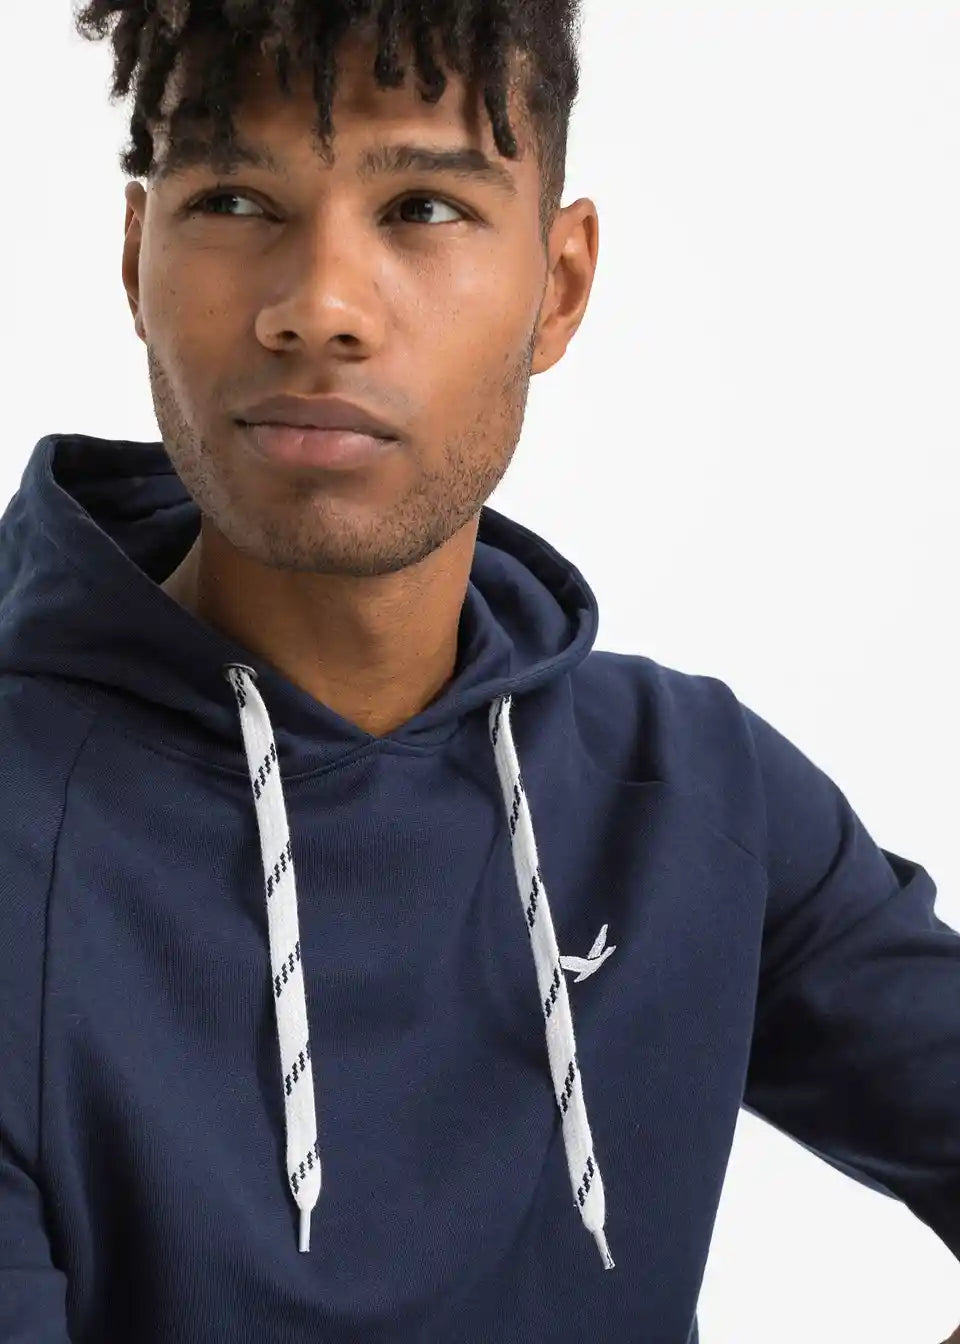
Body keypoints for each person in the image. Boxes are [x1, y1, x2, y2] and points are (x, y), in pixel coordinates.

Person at [1, 3, 957, 1342]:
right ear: (133, 257)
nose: (319, 309)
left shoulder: (695, 790)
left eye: (425, 209)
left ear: (558, 287)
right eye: (233, 200)